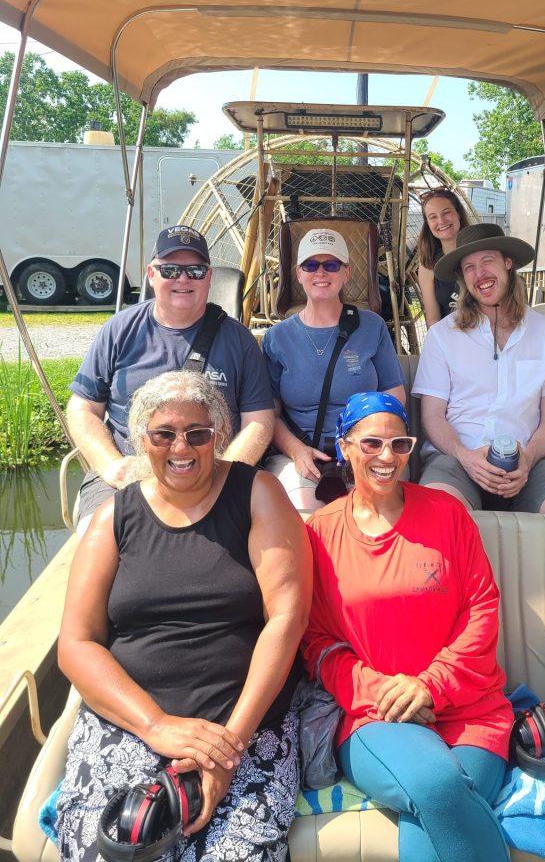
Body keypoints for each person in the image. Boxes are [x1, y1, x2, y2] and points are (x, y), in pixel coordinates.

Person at [56, 371, 311, 862]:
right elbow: (76, 643)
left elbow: (287, 619)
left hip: (244, 728)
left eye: (198, 433)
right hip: (129, 725)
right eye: (164, 434)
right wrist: (154, 725)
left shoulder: (257, 494)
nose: (182, 447)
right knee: (108, 848)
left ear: (217, 437)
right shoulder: (115, 516)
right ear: (140, 440)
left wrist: (227, 750)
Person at [302, 392, 512, 862]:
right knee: (437, 784)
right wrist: (383, 691)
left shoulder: (447, 513)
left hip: (470, 710)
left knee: (440, 809)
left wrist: (430, 686)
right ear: (345, 448)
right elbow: (316, 642)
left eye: (399, 444)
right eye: (372, 443)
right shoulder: (319, 533)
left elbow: (481, 608)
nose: (387, 457)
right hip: (375, 714)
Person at [413, 223, 545, 597]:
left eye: (487, 261)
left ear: (508, 264)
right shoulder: (442, 336)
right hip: (458, 461)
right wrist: (467, 457)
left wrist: (528, 458)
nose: (479, 273)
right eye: (469, 267)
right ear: (463, 279)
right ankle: (465, 621)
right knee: (436, 518)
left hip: (529, 464)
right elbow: (432, 417)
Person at [67, 224, 274, 529]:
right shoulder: (119, 330)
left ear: (209, 276)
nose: (183, 279)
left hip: (212, 471)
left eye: (195, 271)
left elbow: (260, 420)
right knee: (97, 542)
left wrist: (225, 475)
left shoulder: (239, 340)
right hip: (132, 471)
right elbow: (82, 407)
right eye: (170, 270)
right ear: (151, 275)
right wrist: (110, 465)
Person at [261, 227, 405, 510]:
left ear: (346, 273)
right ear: (298, 273)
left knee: (373, 514)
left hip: (365, 450)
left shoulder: (372, 326)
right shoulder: (277, 338)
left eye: (331, 265)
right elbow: (269, 414)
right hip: (299, 453)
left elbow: (395, 397)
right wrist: (296, 450)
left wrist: (366, 444)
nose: (321, 273)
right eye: (311, 265)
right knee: (302, 513)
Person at [417, 188, 471, 327]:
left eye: (446, 212)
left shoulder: (478, 252)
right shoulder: (428, 264)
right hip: (452, 340)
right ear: (428, 224)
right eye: (433, 217)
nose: (441, 220)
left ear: (458, 214)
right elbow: (433, 320)